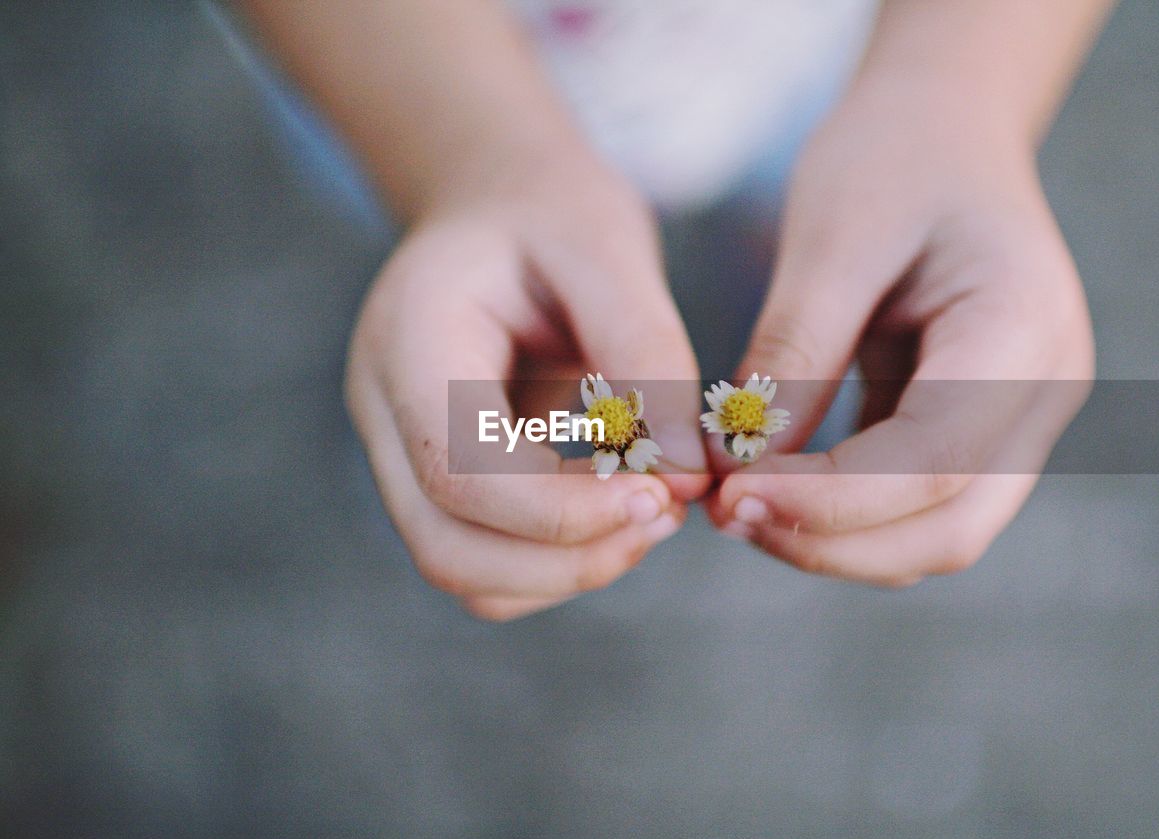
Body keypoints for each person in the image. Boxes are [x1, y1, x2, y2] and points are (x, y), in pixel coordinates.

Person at [239, 0, 1110, 620]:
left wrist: (956, 103)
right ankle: (523, 395)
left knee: (831, 221)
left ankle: (813, 321)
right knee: (529, 344)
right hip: (417, 74)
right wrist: (468, 165)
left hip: (826, 57)